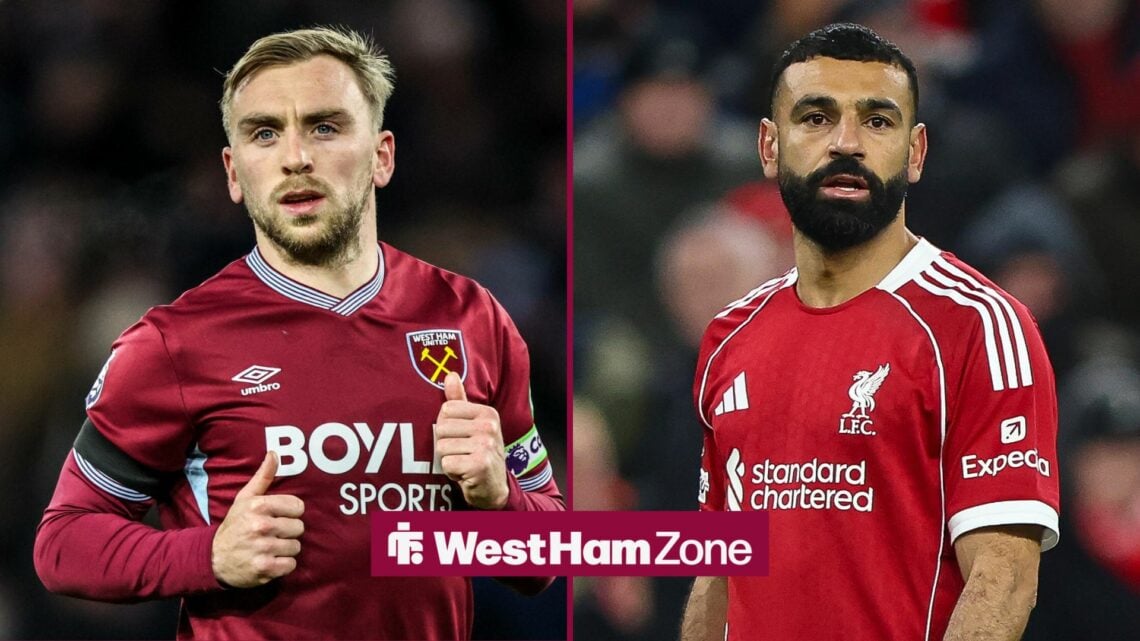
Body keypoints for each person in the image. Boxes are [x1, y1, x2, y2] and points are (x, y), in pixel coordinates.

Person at [32, 26, 564, 640]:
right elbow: (62, 542)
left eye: (324, 127)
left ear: (382, 156)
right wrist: (208, 556)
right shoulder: (175, 344)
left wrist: (499, 498)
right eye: (264, 133)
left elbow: (545, 559)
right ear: (234, 173)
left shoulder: (471, 318)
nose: (295, 157)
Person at [681, 23, 1059, 640]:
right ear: (769, 146)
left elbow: (1004, 578)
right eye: (816, 118)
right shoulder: (730, 334)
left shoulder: (978, 326)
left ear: (915, 153)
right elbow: (717, 570)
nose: (846, 143)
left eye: (878, 121)